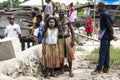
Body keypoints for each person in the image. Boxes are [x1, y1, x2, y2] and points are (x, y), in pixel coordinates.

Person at [91, 2, 118, 75]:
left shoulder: (104, 14)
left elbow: (110, 26)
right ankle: (106, 68)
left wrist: (113, 34)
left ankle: (98, 69)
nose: (97, 8)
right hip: (107, 36)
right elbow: (109, 26)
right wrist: (112, 35)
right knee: (106, 52)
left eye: (97, 7)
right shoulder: (104, 14)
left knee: (102, 53)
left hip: (105, 36)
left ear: (102, 7)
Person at [57, 9, 75, 77]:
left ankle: (70, 70)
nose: (61, 13)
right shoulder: (56, 20)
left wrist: (73, 40)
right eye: (60, 12)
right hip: (60, 39)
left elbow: (72, 30)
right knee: (61, 55)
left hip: (67, 39)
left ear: (64, 13)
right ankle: (62, 70)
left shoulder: (67, 20)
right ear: (58, 13)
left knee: (69, 55)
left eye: (62, 12)